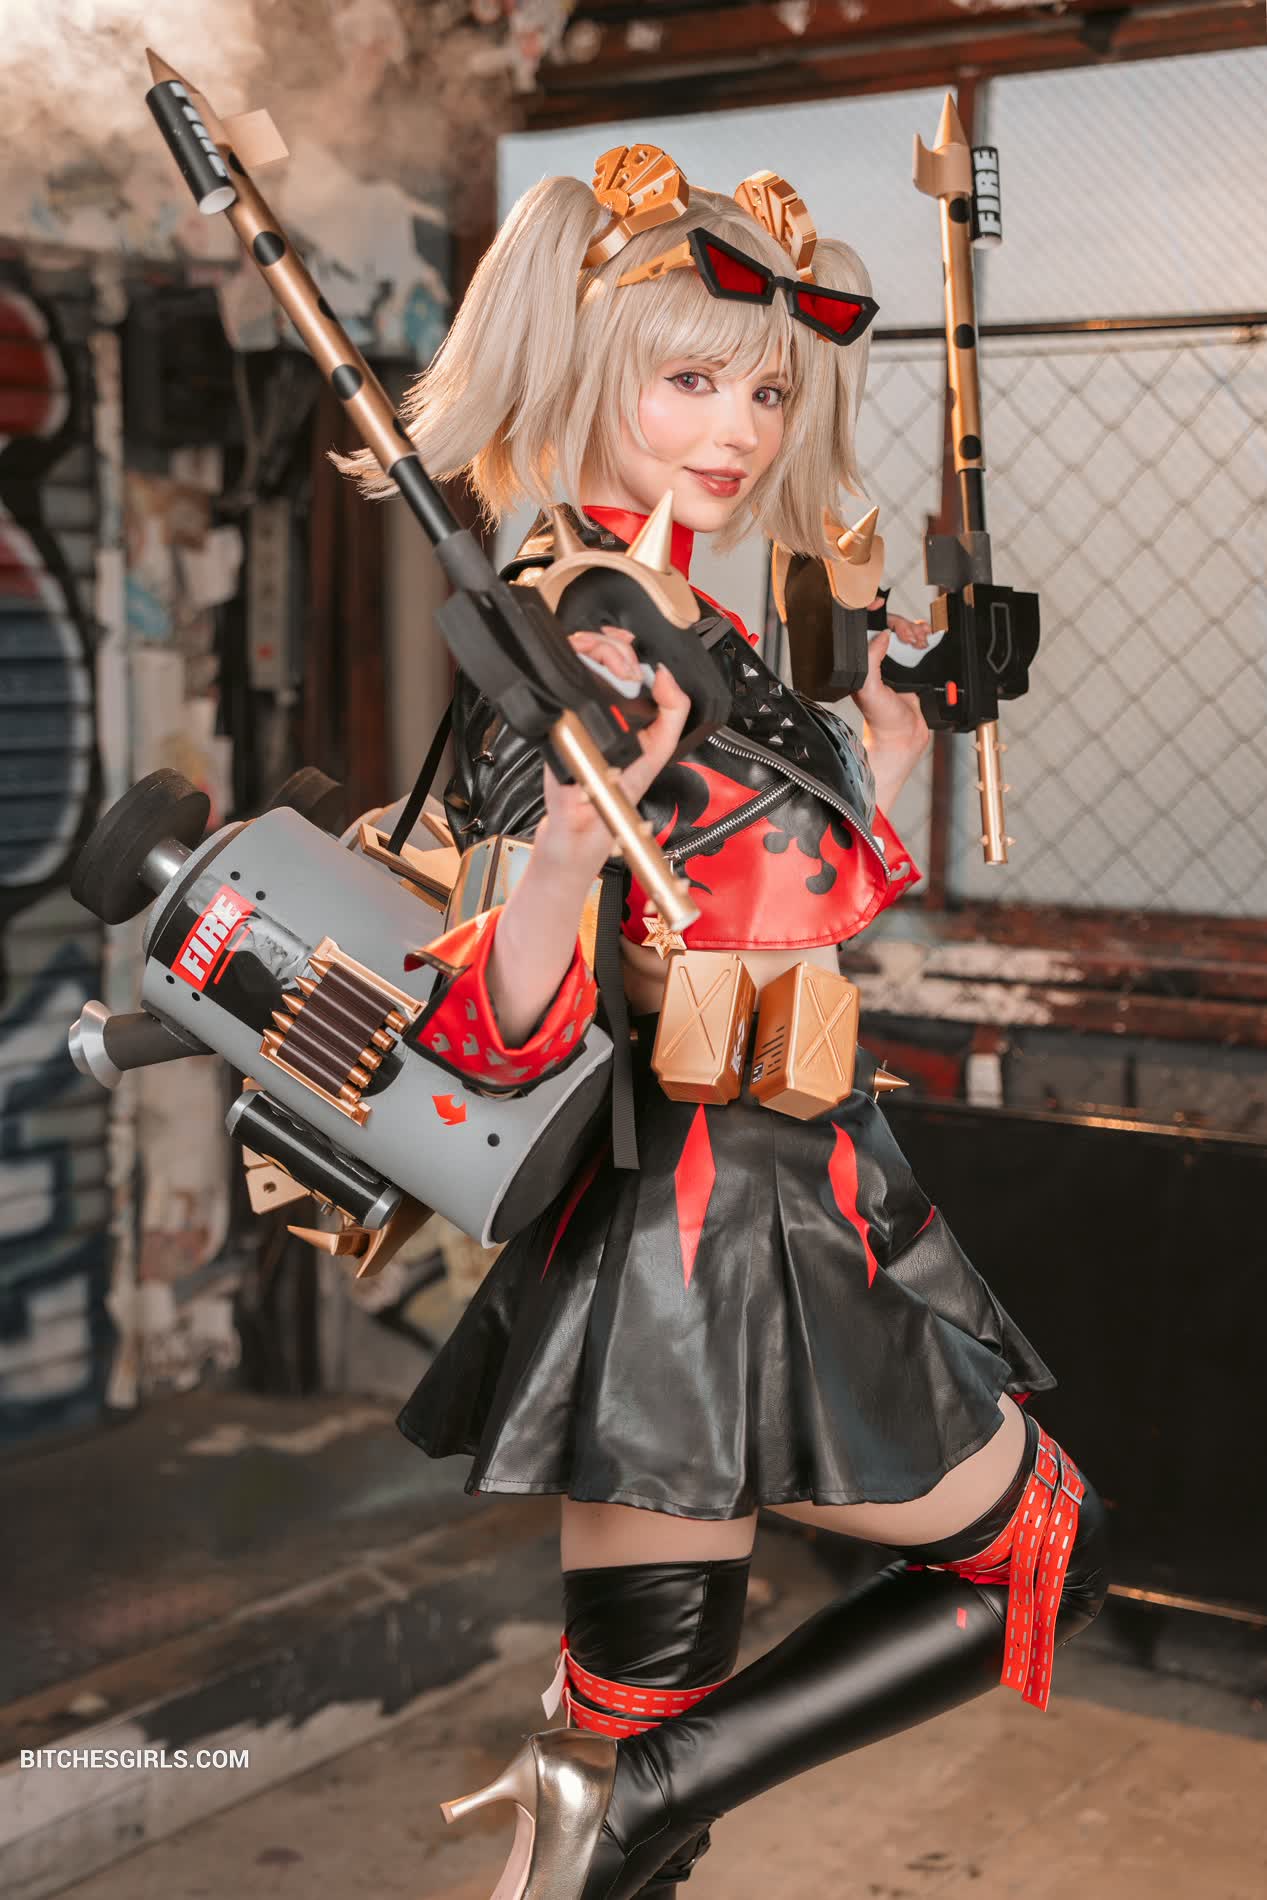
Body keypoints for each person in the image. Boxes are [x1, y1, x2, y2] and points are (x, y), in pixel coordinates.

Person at [339, 146, 1109, 1900]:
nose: (740, 430)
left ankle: (614, 1796)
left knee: (621, 1761)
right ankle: (623, 1795)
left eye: (765, 390)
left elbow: (771, 908)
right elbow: (497, 1027)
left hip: (766, 1191)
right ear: (583, 369)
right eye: (688, 380)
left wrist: (889, 746)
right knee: (1036, 1547)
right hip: (707, 1216)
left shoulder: (700, 614)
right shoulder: (577, 632)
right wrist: (559, 843)